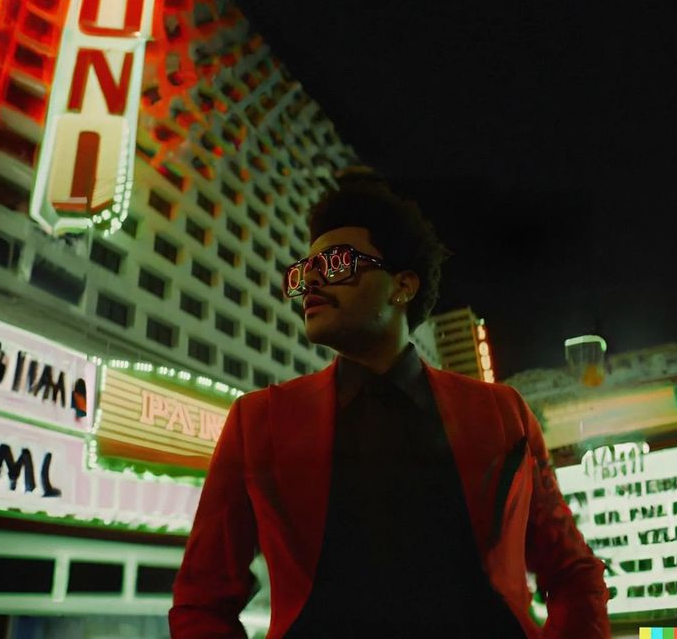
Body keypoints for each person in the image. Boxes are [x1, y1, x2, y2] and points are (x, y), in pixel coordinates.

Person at [170, 178, 610, 638]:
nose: (312, 281)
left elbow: (573, 574)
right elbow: (202, 598)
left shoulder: (501, 412)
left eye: (338, 263)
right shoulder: (259, 420)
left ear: (402, 286)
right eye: (305, 271)